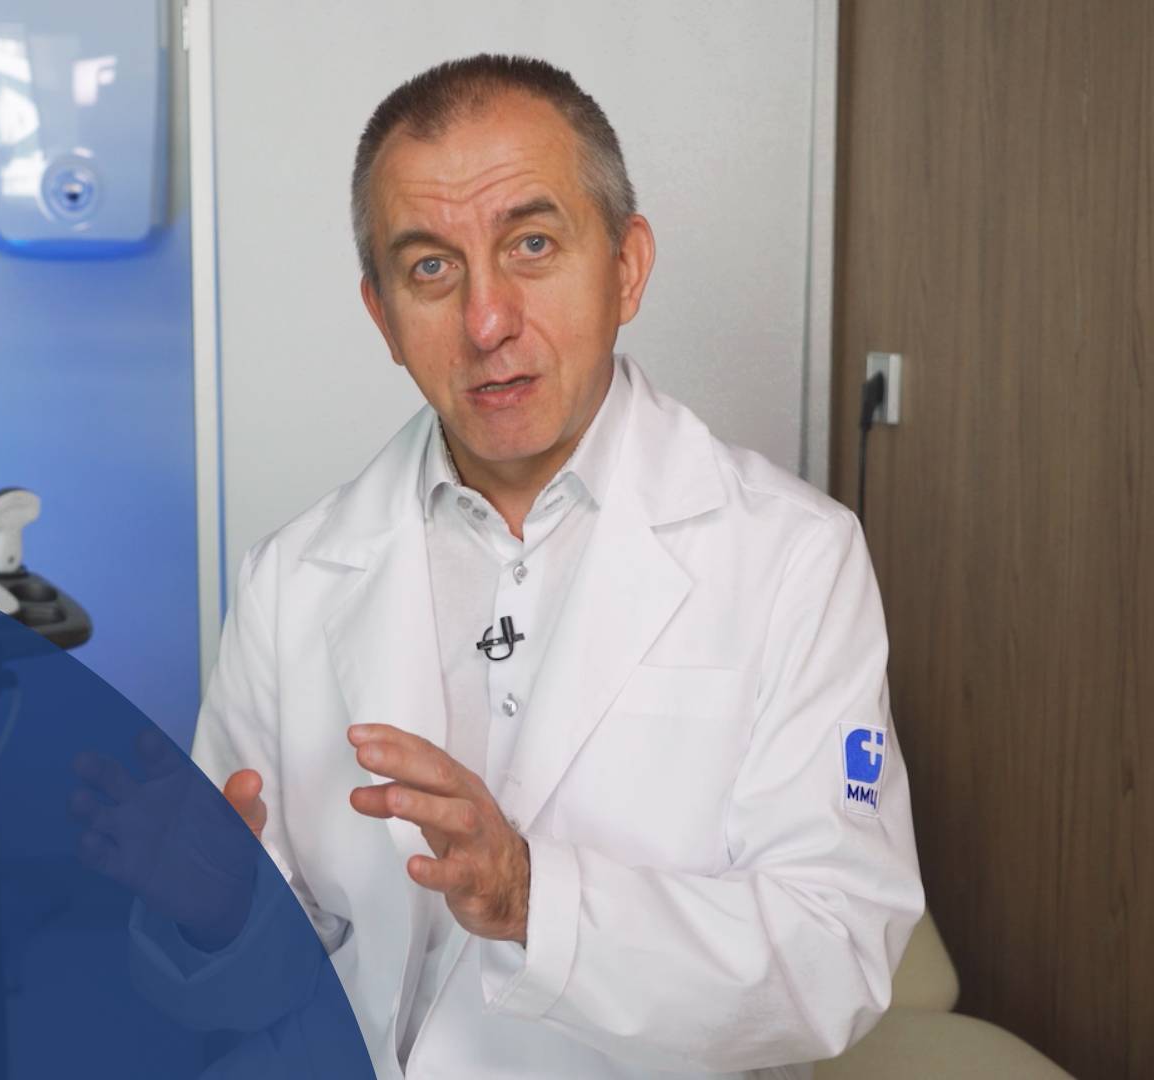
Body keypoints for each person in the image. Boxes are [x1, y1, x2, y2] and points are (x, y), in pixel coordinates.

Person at [89, 54, 923, 1079]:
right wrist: (219, 913)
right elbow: (265, 982)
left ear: (626, 267)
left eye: (532, 244)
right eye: (431, 269)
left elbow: (836, 955)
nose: (487, 322)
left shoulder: (793, 558)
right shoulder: (292, 578)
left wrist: (535, 899)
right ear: (382, 315)